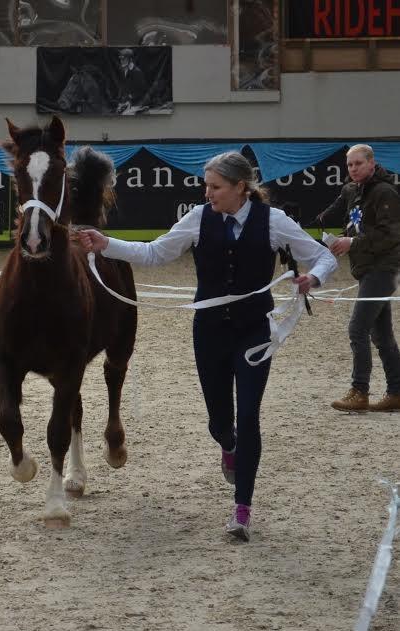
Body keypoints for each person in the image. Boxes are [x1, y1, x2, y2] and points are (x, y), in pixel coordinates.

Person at [77, 151, 337, 541]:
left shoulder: (274, 222)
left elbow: (322, 256)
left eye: (215, 187)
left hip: (254, 334)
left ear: (240, 187)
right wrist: (105, 243)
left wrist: (312, 279)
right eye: (207, 185)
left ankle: (242, 509)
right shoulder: (198, 219)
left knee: (249, 416)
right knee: (221, 422)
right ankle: (226, 443)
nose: (207, 192)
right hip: (210, 333)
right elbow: (154, 253)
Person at [321, 144, 400, 412]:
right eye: (350, 165)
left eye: (358, 163)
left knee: (358, 329)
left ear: (371, 163)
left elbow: (390, 235)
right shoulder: (351, 190)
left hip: (382, 269)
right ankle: (397, 392)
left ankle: (360, 391)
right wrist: (294, 223)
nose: (353, 169)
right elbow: (330, 213)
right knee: (383, 336)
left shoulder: (384, 192)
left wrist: (352, 243)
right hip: (367, 268)